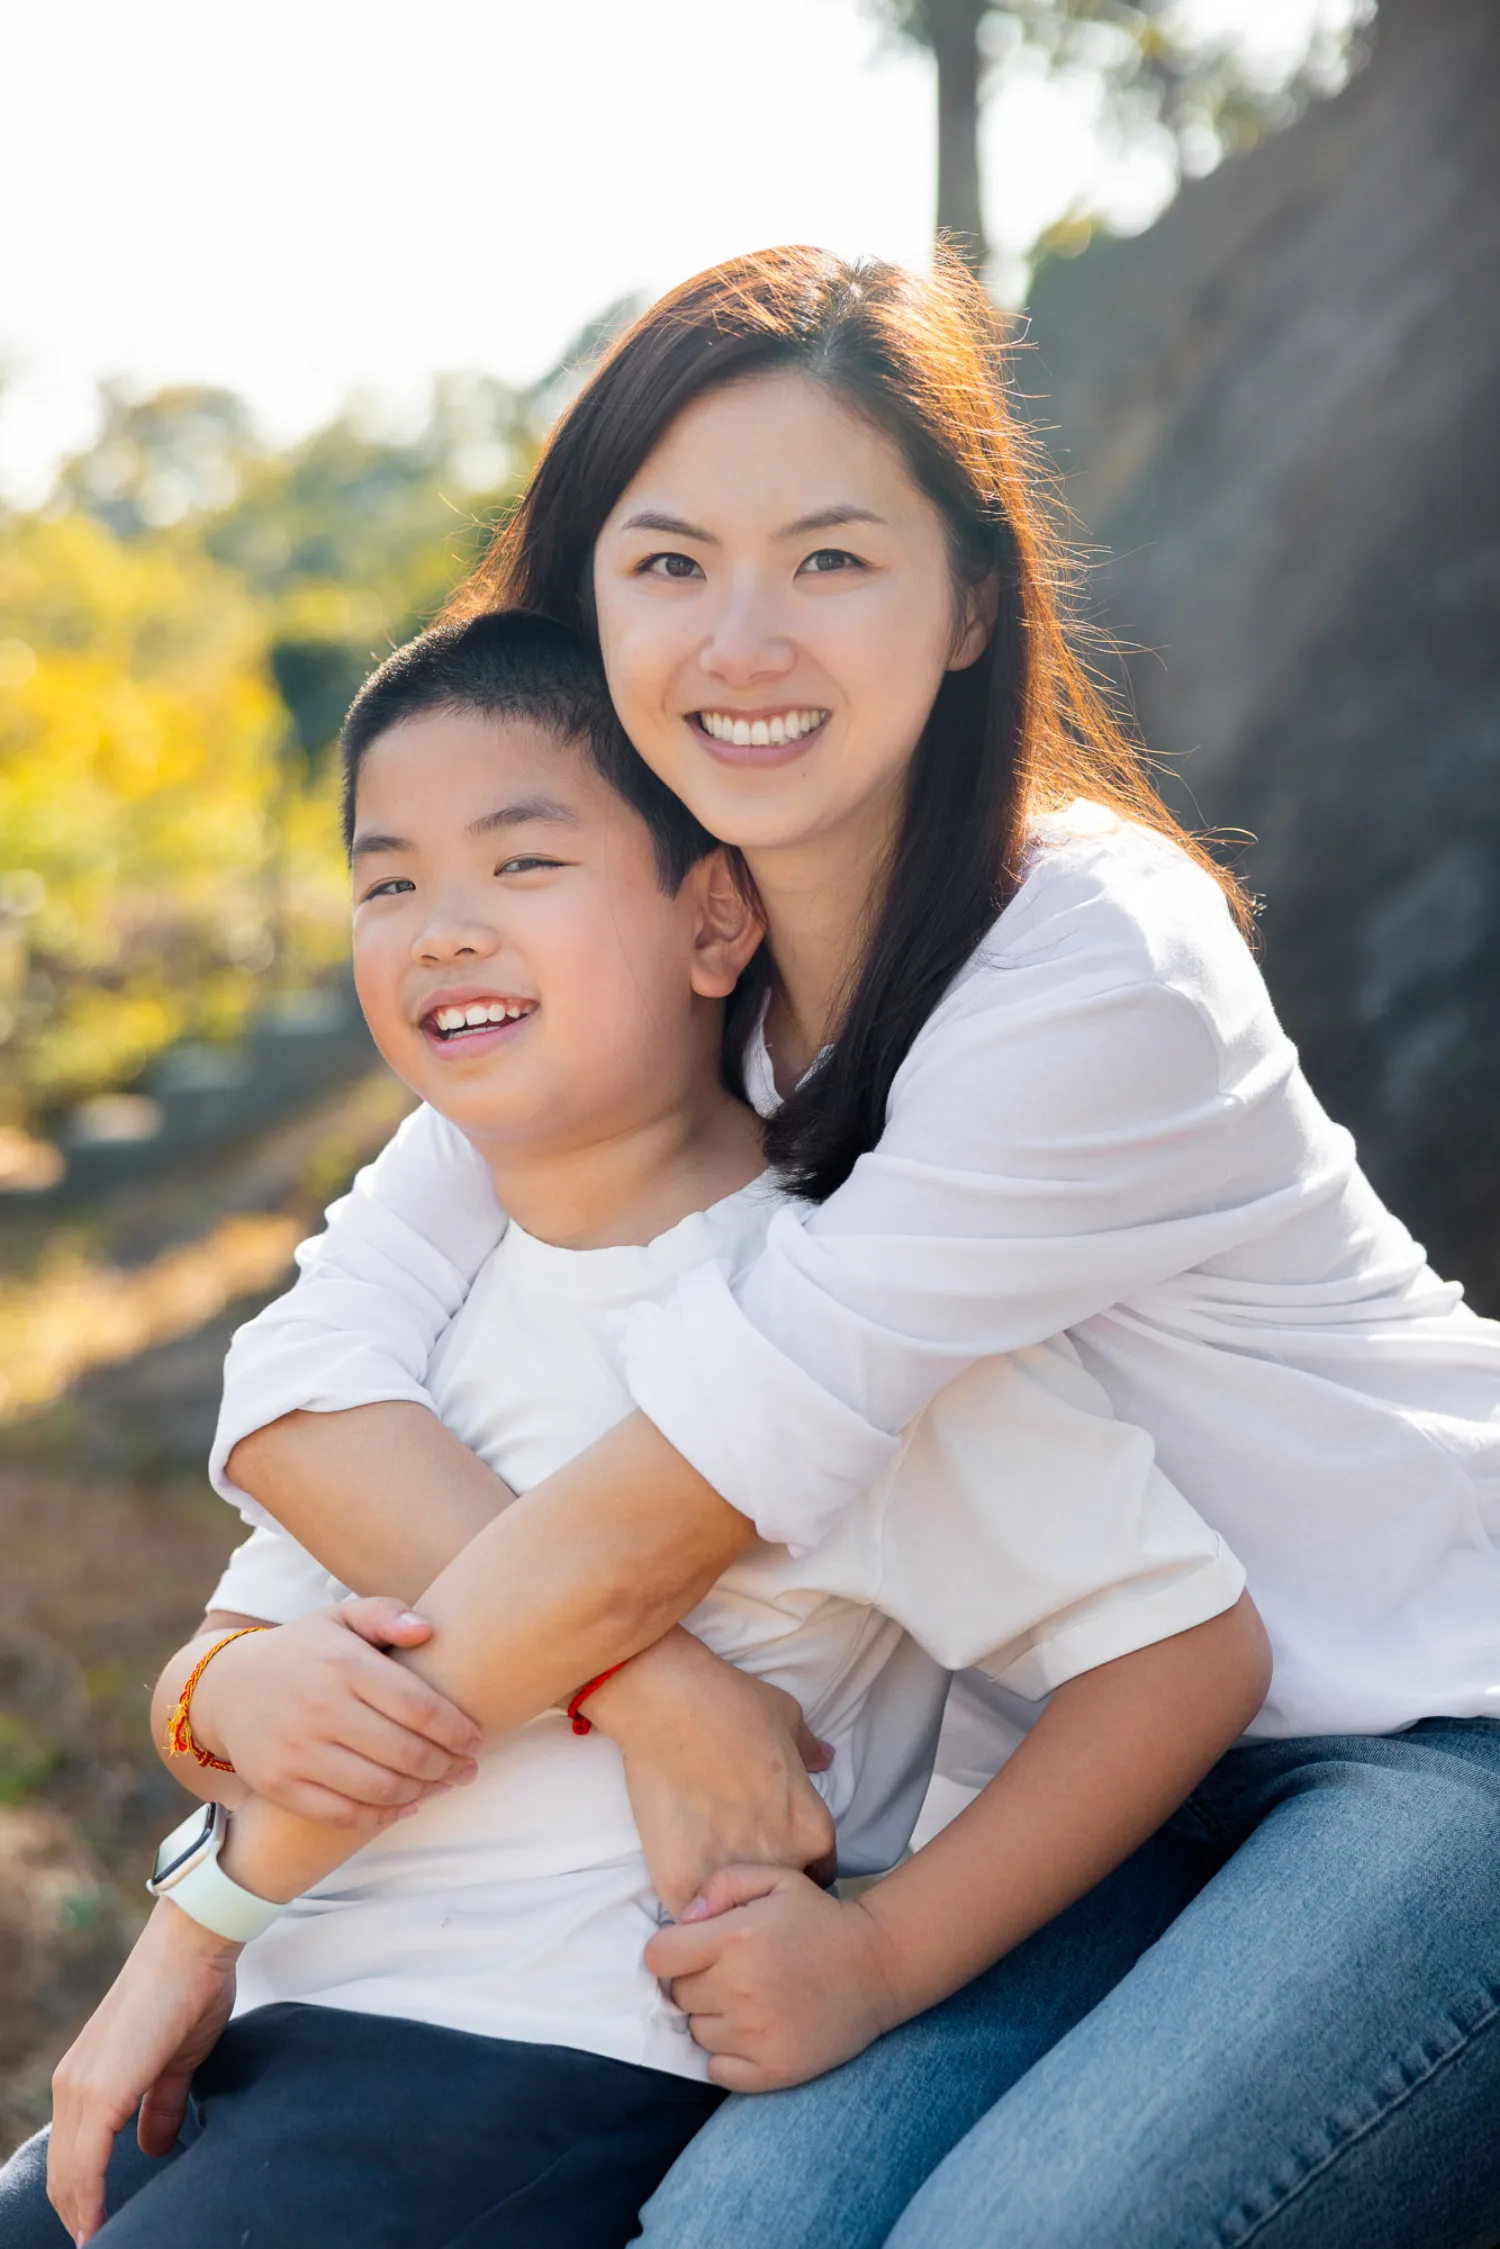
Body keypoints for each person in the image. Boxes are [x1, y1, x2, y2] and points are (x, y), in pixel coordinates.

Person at [46, 238, 1500, 2245]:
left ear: (971, 598)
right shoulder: (665, 975)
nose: (745, 640)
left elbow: (666, 1501)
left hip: (1427, 1734)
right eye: (668, 564)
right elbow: (309, 1383)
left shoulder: (1091, 962)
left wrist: (198, 1914)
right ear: (588, 607)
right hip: (1064, 1790)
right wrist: (645, 1694)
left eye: (830, 558)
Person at [13, 611, 1266, 2248]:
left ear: (715, 920)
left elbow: (1182, 1655)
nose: (441, 929)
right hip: (277, 2032)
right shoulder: (432, 1300)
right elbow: (237, 1643)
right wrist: (240, 1686)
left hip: (528, 2073)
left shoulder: (841, 1319)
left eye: (521, 864)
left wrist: (882, 1958)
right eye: (389, 882)